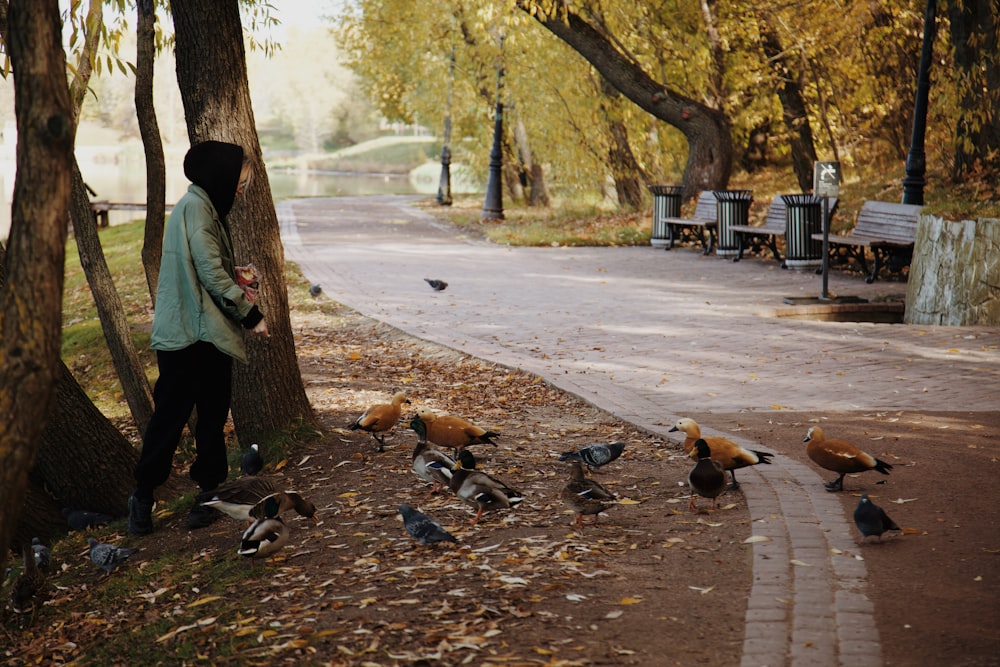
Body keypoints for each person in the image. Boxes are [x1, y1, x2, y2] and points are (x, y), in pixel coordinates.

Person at [128, 140, 269, 535]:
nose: (241, 191)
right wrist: (251, 313)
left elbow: (205, 267)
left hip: (203, 331)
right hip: (190, 335)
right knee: (171, 419)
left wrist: (233, 273)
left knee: (210, 417)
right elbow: (208, 271)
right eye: (240, 183)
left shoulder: (201, 207)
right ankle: (142, 496)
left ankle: (207, 495)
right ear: (222, 177)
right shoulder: (197, 210)